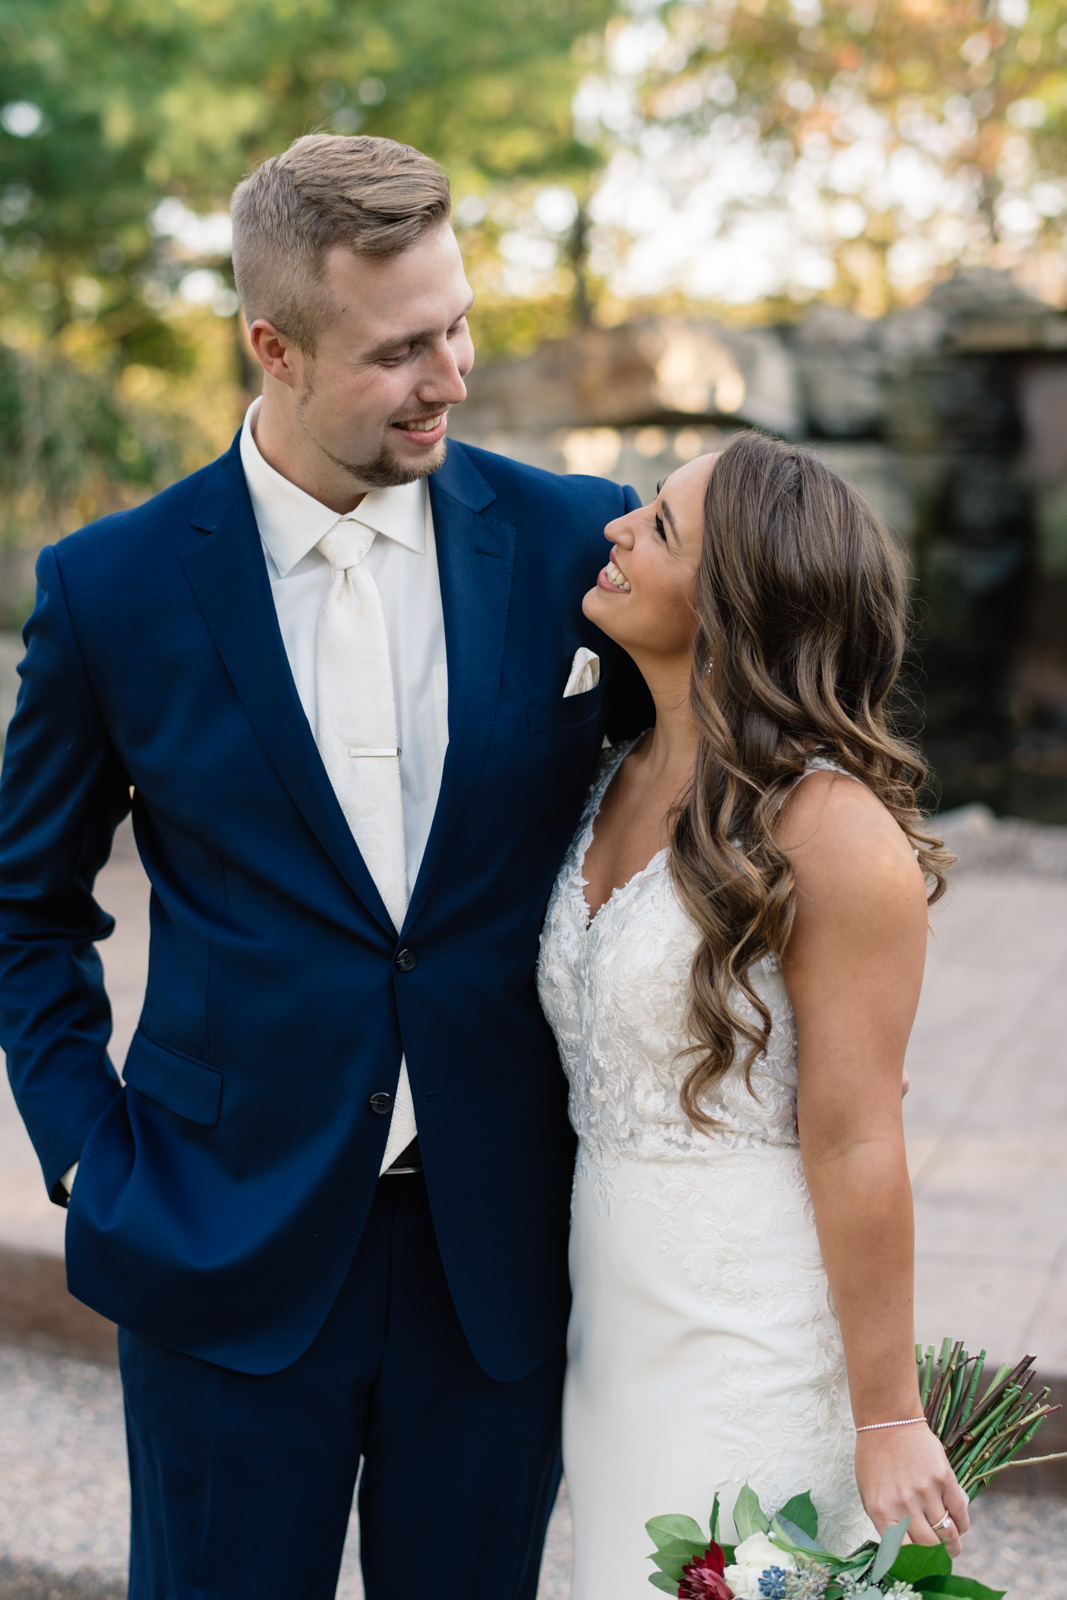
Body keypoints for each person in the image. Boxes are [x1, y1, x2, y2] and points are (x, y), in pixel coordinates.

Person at [0, 134, 651, 1600]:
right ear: (271, 347)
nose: (453, 373)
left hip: (497, 1252)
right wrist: (86, 1153)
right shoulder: (110, 590)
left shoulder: (572, 545)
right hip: (216, 1239)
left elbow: (714, 784)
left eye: (459, 322)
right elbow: (22, 909)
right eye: (400, 348)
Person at [537, 431, 971, 1599]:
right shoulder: (612, 770)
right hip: (613, 1328)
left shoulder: (829, 832)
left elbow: (857, 1134)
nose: (617, 530)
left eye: (660, 528)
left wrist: (886, 1414)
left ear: (732, 606)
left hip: (751, 1337)